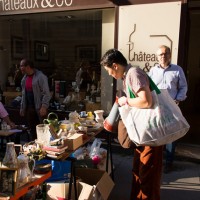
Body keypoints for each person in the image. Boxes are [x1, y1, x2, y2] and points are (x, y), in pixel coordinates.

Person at [100, 48, 163, 200]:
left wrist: (126, 100)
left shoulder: (133, 73)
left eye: (109, 70)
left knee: (147, 176)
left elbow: (146, 101)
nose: (109, 74)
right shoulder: (128, 75)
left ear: (115, 65)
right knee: (139, 172)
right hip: (144, 134)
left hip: (150, 134)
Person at [148, 45, 188, 173]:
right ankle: (155, 161)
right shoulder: (153, 71)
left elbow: (183, 87)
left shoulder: (177, 70)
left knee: (171, 136)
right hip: (157, 108)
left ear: (169, 55)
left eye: (165, 54)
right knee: (156, 133)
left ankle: (169, 162)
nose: (163, 56)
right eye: (160, 54)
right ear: (157, 57)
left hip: (172, 107)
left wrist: (178, 99)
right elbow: (148, 87)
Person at [20, 58, 51, 140]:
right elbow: (23, 94)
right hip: (30, 108)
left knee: (43, 130)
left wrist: (44, 106)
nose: (20, 68)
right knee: (32, 130)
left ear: (28, 67)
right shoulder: (24, 79)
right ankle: (35, 148)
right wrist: (22, 107)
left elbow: (46, 93)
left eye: (21, 66)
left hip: (39, 108)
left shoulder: (41, 77)